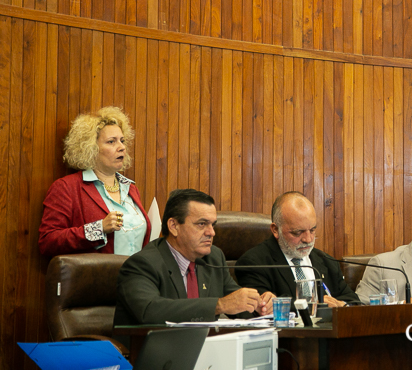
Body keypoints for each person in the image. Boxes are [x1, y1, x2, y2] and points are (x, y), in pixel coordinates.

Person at [114, 189, 270, 325]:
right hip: (150, 348)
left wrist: (260, 306)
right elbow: (149, 311)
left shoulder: (213, 258)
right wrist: (219, 305)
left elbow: (236, 303)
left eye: (213, 225)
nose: (211, 232)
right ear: (173, 226)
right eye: (202, 224)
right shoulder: (142, 264)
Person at [39, 107, 151, 256]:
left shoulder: (131, 188)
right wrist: (98, 229)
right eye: (111, 142)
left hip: (136, 271)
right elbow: (48, 242)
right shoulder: (66, 187)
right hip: (98, 272)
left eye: (122, 141)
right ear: (91, 148)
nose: (122, 147)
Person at [235, 192, 358, 308]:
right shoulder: (254, 263)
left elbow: (354, 302)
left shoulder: (326, 261)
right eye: (298, 232)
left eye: (312, 230)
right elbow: (261, 308)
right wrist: (311, 305)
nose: (308, 239)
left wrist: (341, 306)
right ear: (275, 230)